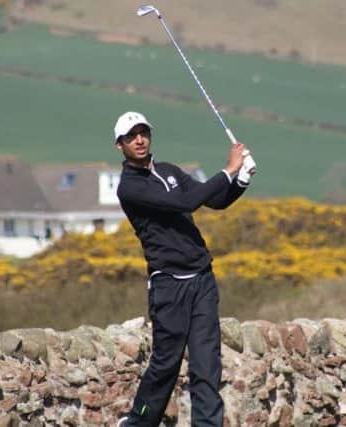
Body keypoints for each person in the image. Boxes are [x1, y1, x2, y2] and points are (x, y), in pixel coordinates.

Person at [113, 111, 254, 426]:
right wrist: (228, 169)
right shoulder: (130, 187)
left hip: (202, 279)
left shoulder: (169, 171)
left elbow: (213, 200)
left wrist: (240, 179)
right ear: (119, 145)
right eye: (131, 136)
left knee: (207, 365)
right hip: (169, 285)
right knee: (166, 364)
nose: (139, 140)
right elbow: (184, 203)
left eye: (143, 133)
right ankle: (138, 422)